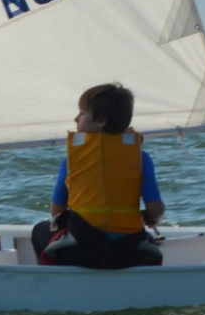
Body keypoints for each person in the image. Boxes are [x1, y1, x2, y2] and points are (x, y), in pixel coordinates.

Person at [30, 83, 166, 268]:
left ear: (101, 120)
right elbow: (156, 209)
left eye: (82, 113)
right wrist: (150, 219)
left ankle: (56, 282)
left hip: (79, 253)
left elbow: (56, 211)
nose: (76, 118)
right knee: (144, 239)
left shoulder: (71, 161)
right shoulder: (141, 159)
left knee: (39, 230)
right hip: (126, 254)